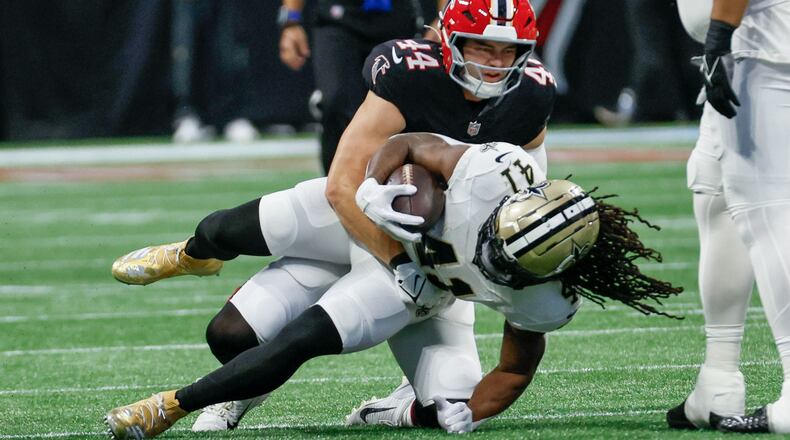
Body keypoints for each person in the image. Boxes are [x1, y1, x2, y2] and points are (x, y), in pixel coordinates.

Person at [111, 0, 556, 431]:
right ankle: (193, 258)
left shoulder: (531, 96)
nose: (495, 63)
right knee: (226, 289)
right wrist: (388, 235)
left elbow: (525, 200)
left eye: (508, 50)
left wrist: (432, 268)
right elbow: (342, 185)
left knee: (451, 406)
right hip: (361, 211)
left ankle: (393, 409)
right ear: (449, 42)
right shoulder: (410, 72)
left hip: (427, 268)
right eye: (481, 47)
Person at [104, 133, 683, 439]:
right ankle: (191, 257)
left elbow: (513, 370)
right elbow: (408, 143)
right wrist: (378, 184)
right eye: (498, 241)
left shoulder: (546, 298)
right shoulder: (495, 173)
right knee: (222, 236)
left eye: (510, 264)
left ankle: (171, 407)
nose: (494, 257)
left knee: (310, 343)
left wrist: (475, 410)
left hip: (417, 288)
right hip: (369, 220)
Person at [665, 0, 790, 433]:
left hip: (764, 45)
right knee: (713, 188)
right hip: (757, 42)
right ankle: (718, 381)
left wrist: (719, 38)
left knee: (766, 214)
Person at [278, 0, 442, 173]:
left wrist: (442, 18)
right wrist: (291, 20)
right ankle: (335, 182)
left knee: (402, 107)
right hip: (338, 18)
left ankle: (396, 180)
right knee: (336, 101)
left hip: (397, 19)